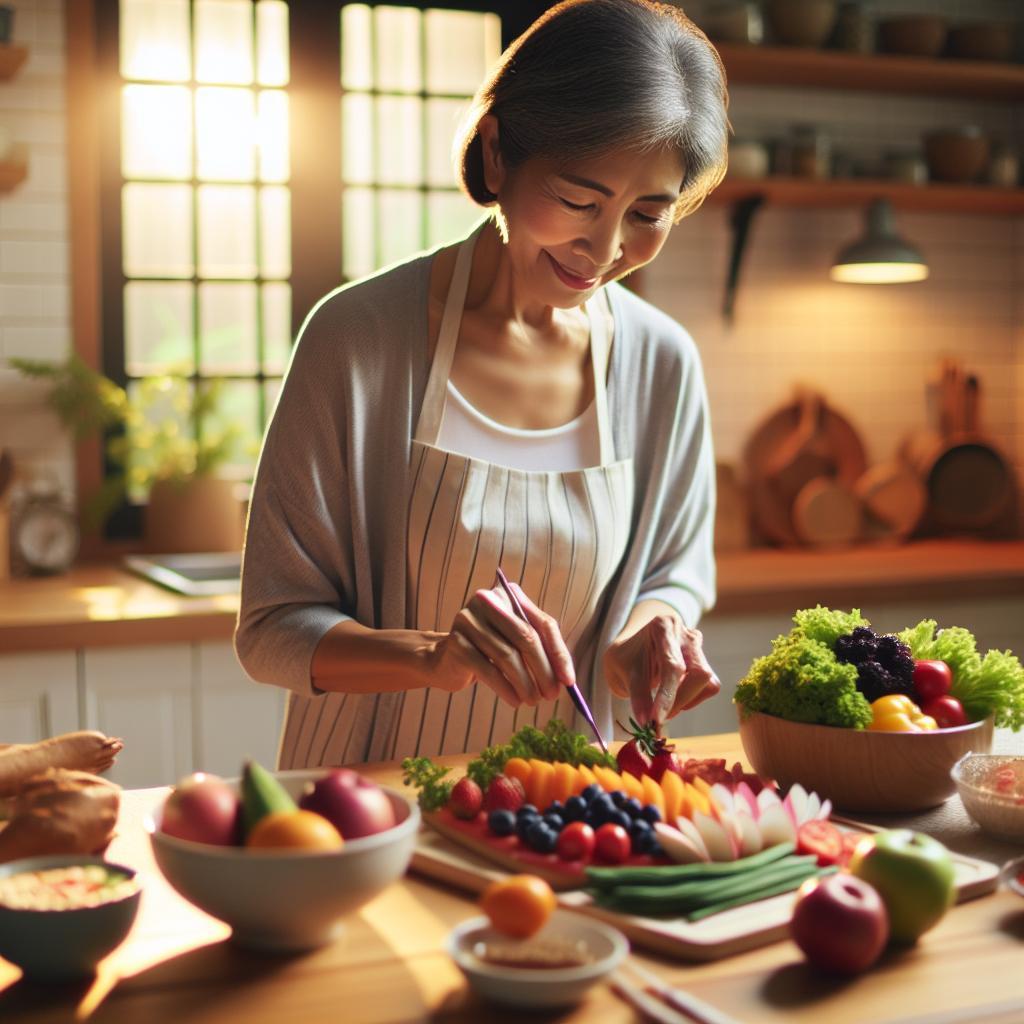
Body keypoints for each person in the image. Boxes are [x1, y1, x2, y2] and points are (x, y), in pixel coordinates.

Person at [235, 0, 730, 768]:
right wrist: (433, 656)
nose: (602, 249)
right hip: (365, 810)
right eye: (578, 199)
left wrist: (652, 629)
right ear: (498, 154)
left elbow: (675, 573)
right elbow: (271, 632)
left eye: (646, 214)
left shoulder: (662, 361)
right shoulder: (356, 340)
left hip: (573, 814)